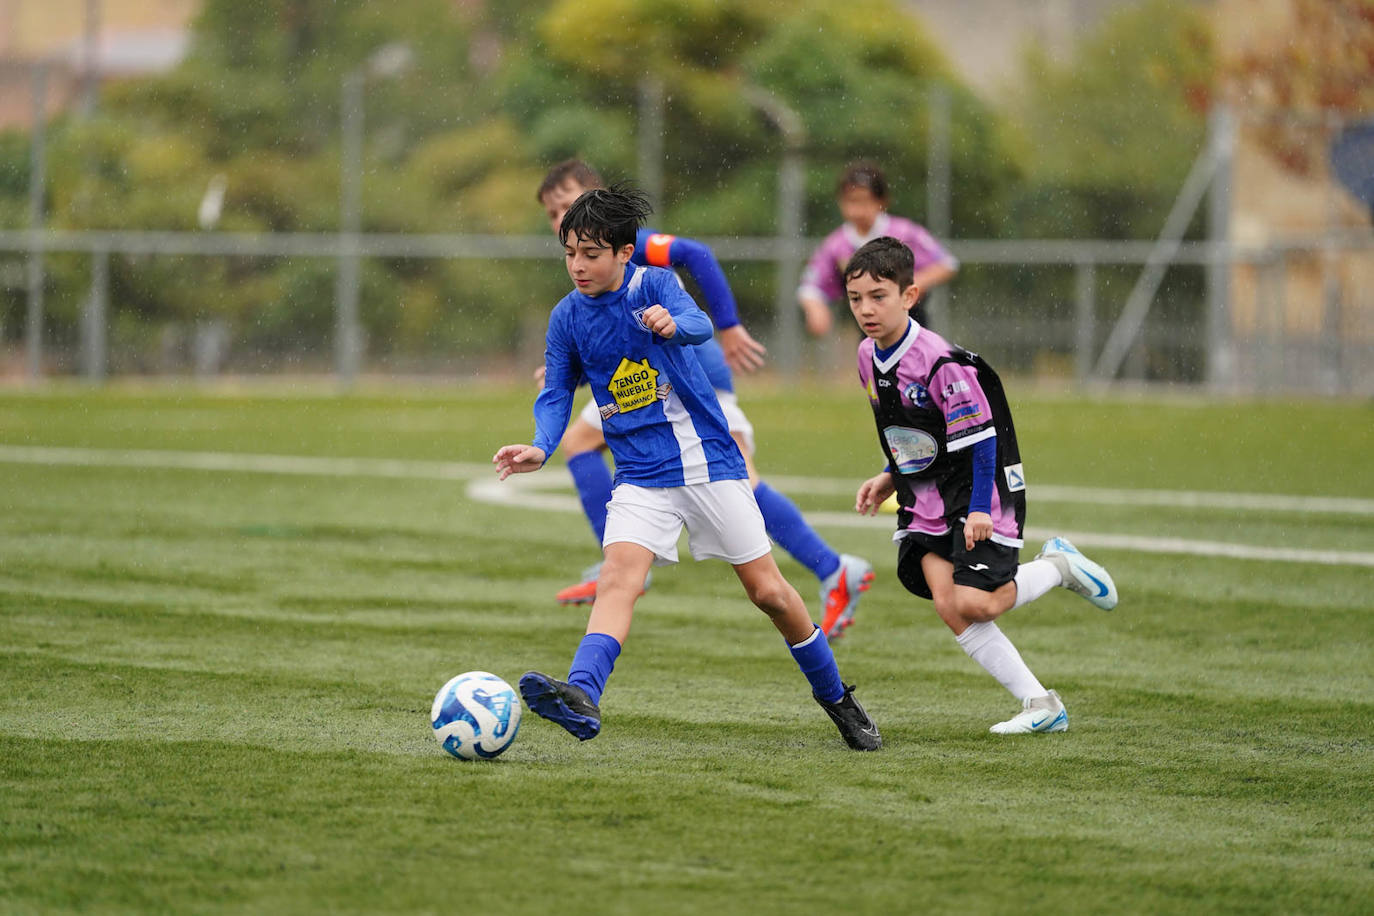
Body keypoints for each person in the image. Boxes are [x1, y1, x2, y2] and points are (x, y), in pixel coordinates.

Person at [493, 185, 881, 750]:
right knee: (618, 579)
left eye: (591, 253)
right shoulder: (567, 317)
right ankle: (581, 695)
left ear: (626, 252)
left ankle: (839, 700)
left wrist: (675, 325)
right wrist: (540, 446)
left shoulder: (653, 283)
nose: (578, 265)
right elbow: (555, 392)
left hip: (707, 462)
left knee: (770, 594)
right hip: (639, 475)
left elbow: (697, 324)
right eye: (570, 252)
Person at [537, 160, 872, 639]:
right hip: (652, 375)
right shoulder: (588, 264)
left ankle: (830, 566)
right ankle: (621, 565)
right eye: (553, 215)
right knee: (584, 444)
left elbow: (697, 255)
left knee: (733, 475)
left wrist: (729, 325)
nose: (560, 221)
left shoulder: (631, 247)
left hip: (686, 371)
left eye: (567, 205)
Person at [844, 236, 1119, 734]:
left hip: (981, 488)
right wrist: (890, 475)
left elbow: (981, 439)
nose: (866, 309)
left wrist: (978, 510)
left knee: (978, 602)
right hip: (924, 494)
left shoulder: (939, 361)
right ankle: (1041, 705)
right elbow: (902, 425)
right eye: (856, 298)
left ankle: (1058, 567)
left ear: (910, 296)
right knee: (951, 606)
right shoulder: (867, 355)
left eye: (879, 296)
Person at [798, 161, 958, 338]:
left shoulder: (904, 233)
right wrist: (816, 309)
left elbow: (945, 263)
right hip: (869, 332)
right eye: (851, 201)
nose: (857, 210)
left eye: (865, 200)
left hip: (913, 325)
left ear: (881, 201)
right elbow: (811, 285)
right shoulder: (837, 245)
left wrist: (913, 284)